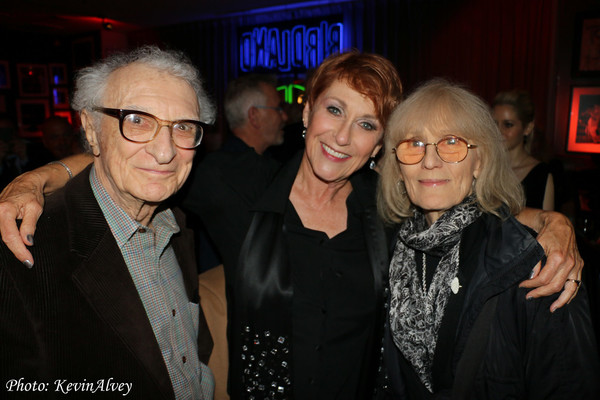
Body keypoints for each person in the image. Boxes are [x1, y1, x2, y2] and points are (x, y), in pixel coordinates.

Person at [0, 51, 585, 399]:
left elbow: (464, 206)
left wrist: (551, 223)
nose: (342, 136)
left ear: (380, 142)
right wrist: (41, 176)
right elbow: (146, 160)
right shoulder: (237, 187)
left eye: (366, 125)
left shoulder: (385, 209)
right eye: (334, 110)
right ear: (305, 112)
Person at [0, 46, 215, 399]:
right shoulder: (21, 253)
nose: (165, 152)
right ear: (91, 127)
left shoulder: (176, 223)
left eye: (183, 126)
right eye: (137, 120)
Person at [378, 79, 599, 399]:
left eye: (451, 141)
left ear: (479, 161)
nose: (429, 160)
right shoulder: (387, 246)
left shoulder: (536, 262)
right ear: (398, 166)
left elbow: (567, 383)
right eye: (414, 143)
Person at [182, 73, 287, 276]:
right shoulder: (214, 173)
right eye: (278, 109)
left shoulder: (268, 167)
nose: (284, 116)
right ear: (254, 115)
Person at [492, 90, 554, 210]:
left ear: (527, 128)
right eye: (494, 124)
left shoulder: (540, 175)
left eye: (508, 125)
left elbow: (547, 224)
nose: (498, 131)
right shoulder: (482, 168)